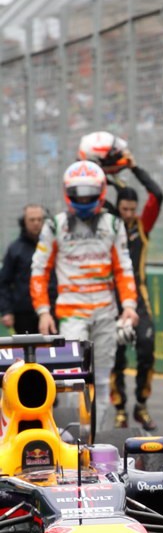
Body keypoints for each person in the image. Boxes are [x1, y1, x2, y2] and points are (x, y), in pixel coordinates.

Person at [30, 160, 138, 433]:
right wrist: (43, 311)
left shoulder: (113, 224)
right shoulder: (54, 225)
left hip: (105, 313)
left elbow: (123, 268)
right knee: (70, 380)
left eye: (89, 192)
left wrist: (129, 306)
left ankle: (95, 440)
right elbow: (39, 270)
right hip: (71, 314)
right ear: (68, 192)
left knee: (102, 380)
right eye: (78, 192)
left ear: (101, 191)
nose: (84, 198)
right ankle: (70, 439)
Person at [77, 131, 163, 432]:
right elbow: (101, 197)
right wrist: (110, 177)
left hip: (137, 296)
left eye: (132, 210)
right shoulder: (109, 223)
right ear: (118, 209)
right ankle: (119, 407)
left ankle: (141, 404)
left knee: (145, 347)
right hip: (111, 299)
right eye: (124, 210)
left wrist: (133, 168)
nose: (128, 215)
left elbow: (158, 195)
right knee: (113, 354)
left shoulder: (143, 225)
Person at [0, 204, 50, 333]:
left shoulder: (52, 247)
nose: (36, 223)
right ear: (24, 222)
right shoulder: (15, 249)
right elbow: (4, 282)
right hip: (23, 314)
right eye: (32, 220)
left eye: (39, 220)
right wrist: (6, 311)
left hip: (52, 310)